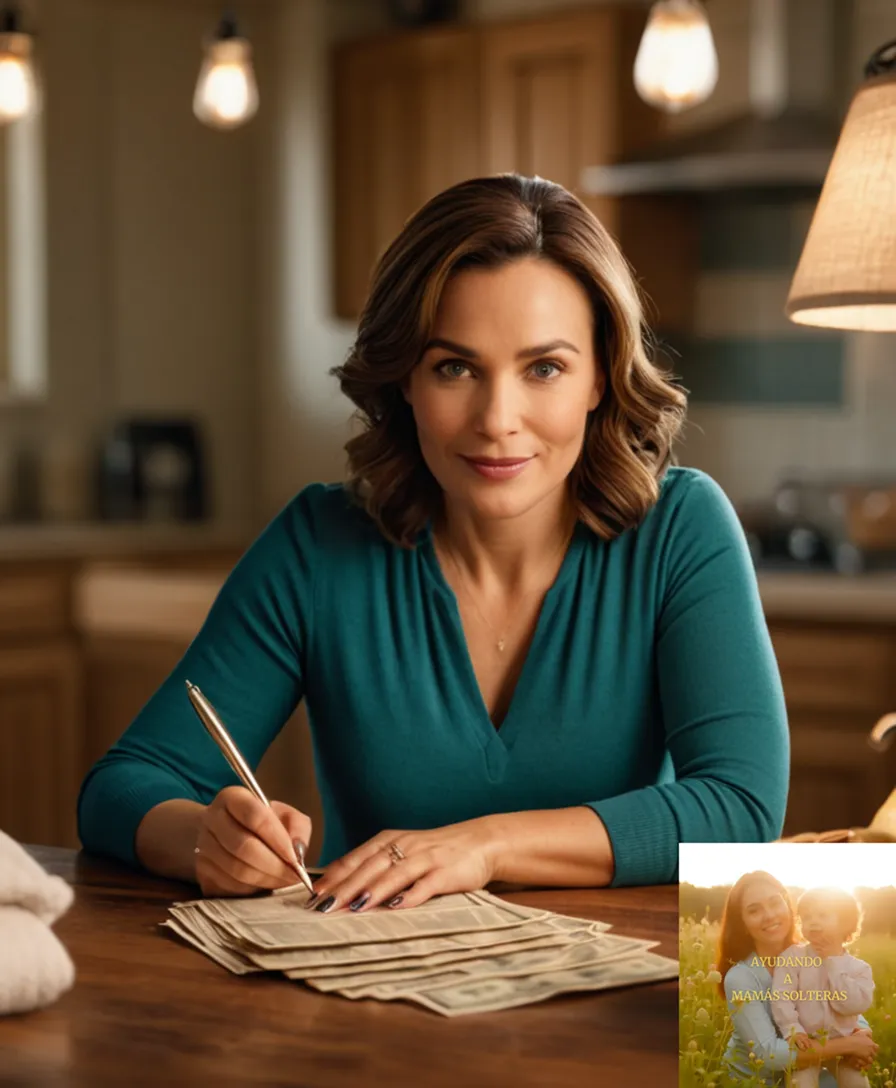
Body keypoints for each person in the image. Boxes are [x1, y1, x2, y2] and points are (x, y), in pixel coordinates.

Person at [78, 173, 790, 914]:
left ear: (600, 380)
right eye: (456, 368)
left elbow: (739, 807)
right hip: (380, 997)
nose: (497, 418)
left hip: (620, 997)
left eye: (544, 368)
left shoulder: (681, 529)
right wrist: (202, 837)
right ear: (406, 381)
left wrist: (483, 846)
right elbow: (124, 786)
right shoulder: (319, 546)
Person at [717, 872, 878, 1085]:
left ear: (788, 906)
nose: (769, 915)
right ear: (743, 924)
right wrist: (849, 1045)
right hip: (758, 1080)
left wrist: (862, 1033)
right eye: (754, 910)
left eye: (775, 903)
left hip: (813, 1064)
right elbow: (768, 1054)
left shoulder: (815, 953)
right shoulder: (740, 978)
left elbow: (841, 1005)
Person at [770, 887, 874, 1087]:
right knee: (800, 1083)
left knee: (858, 1083)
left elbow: (852, 1006)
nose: (813, 922)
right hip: (807, 1044)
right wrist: (793, 1030)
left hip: (844, 1048)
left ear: (845, 923)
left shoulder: (859, 969)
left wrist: (832, 962)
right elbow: (782, 997)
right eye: (806, 917)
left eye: (823, 915)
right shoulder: (792, 958)